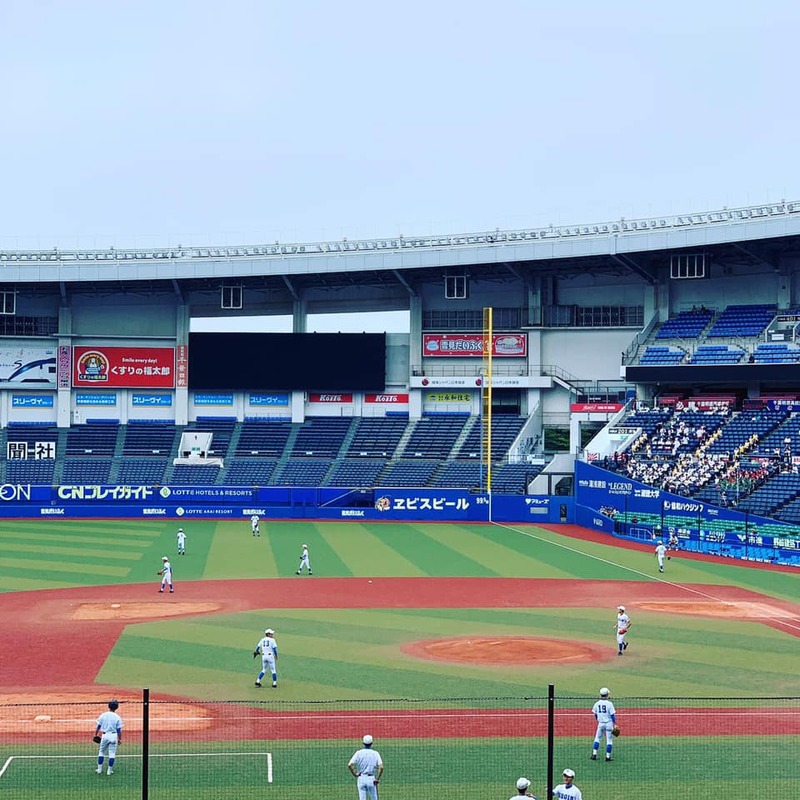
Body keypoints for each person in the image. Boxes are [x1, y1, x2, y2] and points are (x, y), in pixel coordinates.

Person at [348, 734, 383, 800]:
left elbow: (349, 764)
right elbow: (381, 767)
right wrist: (377, 779)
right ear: (372, 743)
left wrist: (355, 774)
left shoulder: (358, 753)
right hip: (371, 779)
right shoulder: (375, 753)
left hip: (361, 779)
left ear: (363, 743)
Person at [94, 698, 122, 775]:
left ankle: (99, 769)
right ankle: (109, 771)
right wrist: (119, 739)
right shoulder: (117, 717)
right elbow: (119, 730)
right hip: (113, 736)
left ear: (108, 706)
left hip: (105, 735)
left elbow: (98, 726)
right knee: (112, 753)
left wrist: (95, 734)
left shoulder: (103, 715)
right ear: (117, 707)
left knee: (101, 752)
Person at [591, 687, 617, 761]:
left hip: (601, 723)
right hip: (609, 724)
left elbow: (595, 714)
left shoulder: (597, 703)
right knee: (609, 740)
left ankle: (594, 754)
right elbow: (612, 715)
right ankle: (608, 757)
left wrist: (598, 720)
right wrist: (615, 723)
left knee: (597, 739)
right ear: (607, 694)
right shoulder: (609, 704)